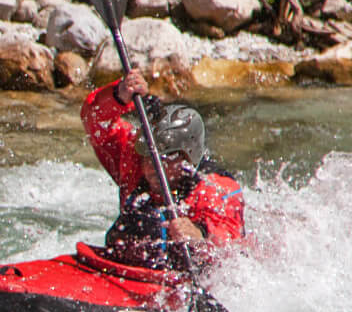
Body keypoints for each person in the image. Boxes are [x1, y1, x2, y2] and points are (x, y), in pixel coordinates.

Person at [81, 68, 245, 271]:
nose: (151, 167)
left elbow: (230, 242)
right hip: (129, 267)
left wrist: (198, 234)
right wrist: (119, 95)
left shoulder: (216, 188)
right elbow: (94, 119)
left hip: (190, 274)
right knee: (142, 223)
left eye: (164, 159)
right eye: (148, 158)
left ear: (186, 158)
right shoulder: (134, 159)